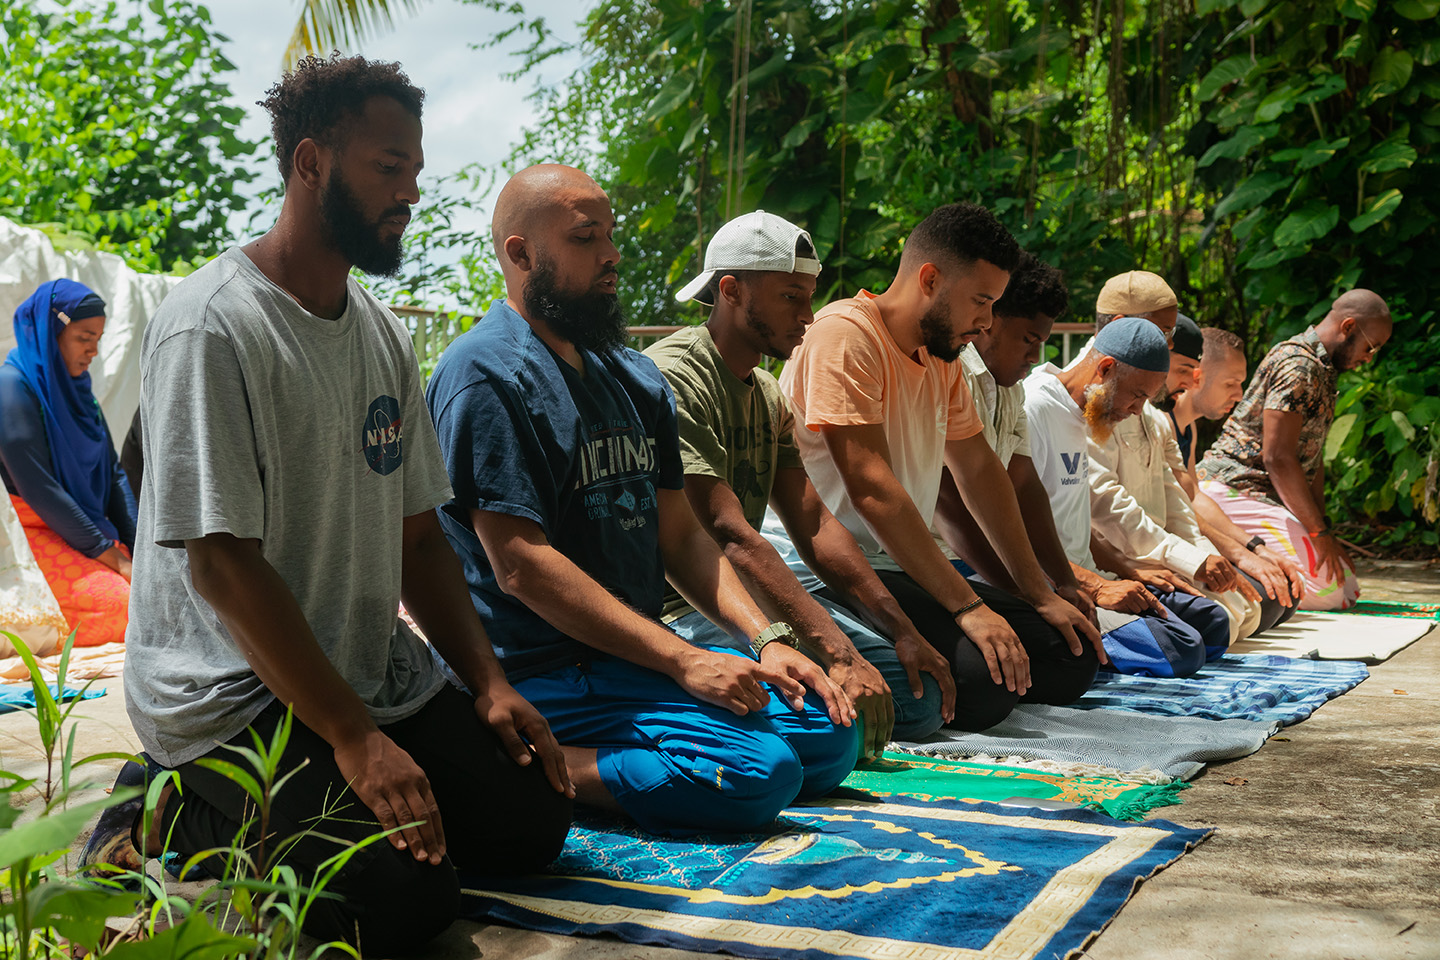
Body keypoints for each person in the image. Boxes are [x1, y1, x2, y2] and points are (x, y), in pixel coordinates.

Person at [83, 56, 574, 954]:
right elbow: (221, 565)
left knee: (533, 823)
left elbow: (420, 541)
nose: (411, 192)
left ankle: (304, 790)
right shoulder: (211, 326)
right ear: (310, 163)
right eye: (389, 168)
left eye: (416, 170)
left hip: (364, 669)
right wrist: (352, 739)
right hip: (228, 693)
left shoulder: (379, 334)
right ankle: (168, 796)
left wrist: (490, 685)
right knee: (404, 901)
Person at [427, 165, 858, 838]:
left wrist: (766, 640)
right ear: (521, 254)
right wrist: (685, 660)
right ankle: (534, 763)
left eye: (610, 235)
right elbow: (520, 566)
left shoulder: (632, 374)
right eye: (585, 238)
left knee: (828, 734)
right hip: (544, 668)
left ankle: (644, 741)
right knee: (759, 774)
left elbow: (681, 536)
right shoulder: (485, 374)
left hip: (628, 655)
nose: (611, 255)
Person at [778, 202, 1104, 732]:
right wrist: (969, 607)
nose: (987, 321)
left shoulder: (940, 355)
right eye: (981, 301)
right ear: (929, 279)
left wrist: (1039, 592)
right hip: (837, 571)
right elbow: (872, 490)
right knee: (987, 685)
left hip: (903, 566)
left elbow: (982, 472)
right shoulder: (846, 334)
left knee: (1069, 655)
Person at [645, 211, 956, 757]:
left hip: (759, 601)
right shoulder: (672, 376)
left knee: (919, 697)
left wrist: (902, 631)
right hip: (687, 608)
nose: (808, 316)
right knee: (834, 727)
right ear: (731, 291)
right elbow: (729, 535)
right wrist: (838, 654)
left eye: (810, 298)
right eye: (791, 297)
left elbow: (814, 522)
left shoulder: (768, 393)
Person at [1023, 317, 1230, 677]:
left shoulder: (1085, 411)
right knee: (1181, 649)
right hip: (1054, 583)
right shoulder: (1035, 408)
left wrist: (1127, 570)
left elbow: (1072, 523)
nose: (1137, 410)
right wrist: (1097, 586)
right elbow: (1016, 534)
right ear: (1105, 369)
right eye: (1137, 396)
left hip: (1089, 574)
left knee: (1212, 622)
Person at [1198, 290, 1392, 610]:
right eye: (1371, 347)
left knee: (1346, 588)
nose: (1370, 357)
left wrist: (1323, 530)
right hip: (1234, 487)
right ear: (1347, 327)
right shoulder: (1298, 364)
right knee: (1327, 591)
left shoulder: (1323, 368)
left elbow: (1311, 459)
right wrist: (1318, 534)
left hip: (1265, 495)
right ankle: (1224, 562)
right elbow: (1278, 458)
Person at [1086, 313, 1263, 645]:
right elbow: (1107, 509)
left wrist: (1208, 558)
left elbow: (1180, 506)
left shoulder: (1153, 416)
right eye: (1161, 336)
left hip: (1159, 553)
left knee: (1253, 611)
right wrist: (1195, 560)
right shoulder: (1086, 405)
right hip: (1115, 563)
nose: (1191, 380)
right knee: (1217, 625)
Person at [0, 279, 136, 648]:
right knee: (126, 607)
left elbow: (113, 474)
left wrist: (139, 549)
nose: (94, 350)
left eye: (99, 339)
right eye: (84, 337)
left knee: (163, 591)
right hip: (32, 529)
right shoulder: (11, 388)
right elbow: (38, 488)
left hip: (82, 529)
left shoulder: (79, 394)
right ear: (50, 331)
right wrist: (117, 561)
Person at [1171, 326, 1303, 632]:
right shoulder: (1161, 421)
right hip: (1168, 545)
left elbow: (1194, 497)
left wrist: (1255, 548)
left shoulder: (1188, 428)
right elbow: (1174, 509)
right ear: (1197, 376)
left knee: (1284, 592)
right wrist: (1239, 556)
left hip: (1192, 537)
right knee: (1265, 600)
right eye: (1230, 383)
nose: (1239, 395)